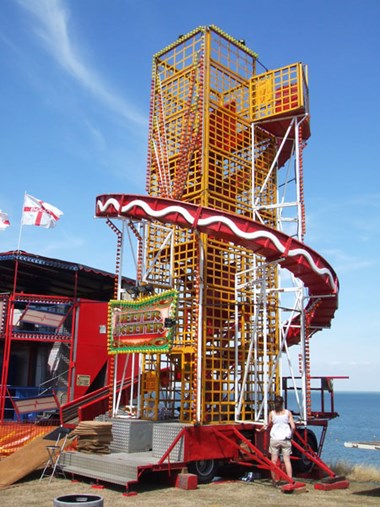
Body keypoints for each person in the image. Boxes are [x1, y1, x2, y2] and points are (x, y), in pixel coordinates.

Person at [267, 395, 295, 486]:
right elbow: (293, 427)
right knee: (287, 460)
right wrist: (291, 435)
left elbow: (268, 425)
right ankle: (290, 480)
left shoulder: (271, 413)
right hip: (285, 439)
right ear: (283, 403)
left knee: (273, 461)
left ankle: (274, 481)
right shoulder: (288, 413)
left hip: (274, 439)